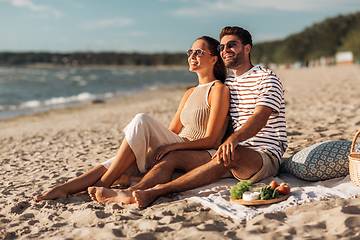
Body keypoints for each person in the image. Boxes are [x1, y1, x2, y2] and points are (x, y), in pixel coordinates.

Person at [87, 26, 287, 208]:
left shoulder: (266, 77)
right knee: (173, 157)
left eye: (232, 45)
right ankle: (133, 190)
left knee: (231, 153)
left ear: (247, 48)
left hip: (263, 155)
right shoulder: (228, 85)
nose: (226, 50)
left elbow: (260, 117)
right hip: (228, 152)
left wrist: (233, 139)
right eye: (222, 47)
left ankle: (156, 191)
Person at [33, 36, 230, 202]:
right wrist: (151, 147)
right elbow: (170, 132)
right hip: (176, 144)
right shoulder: (189, 93)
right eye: (190, 52)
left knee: (142, 119)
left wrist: (171, 147)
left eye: (199, 52)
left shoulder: (218, 90)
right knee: (118, 159)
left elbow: (212, 140)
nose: (192, 56)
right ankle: (65, 188)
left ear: (214, 59)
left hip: (198, 152)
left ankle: (104, 183)